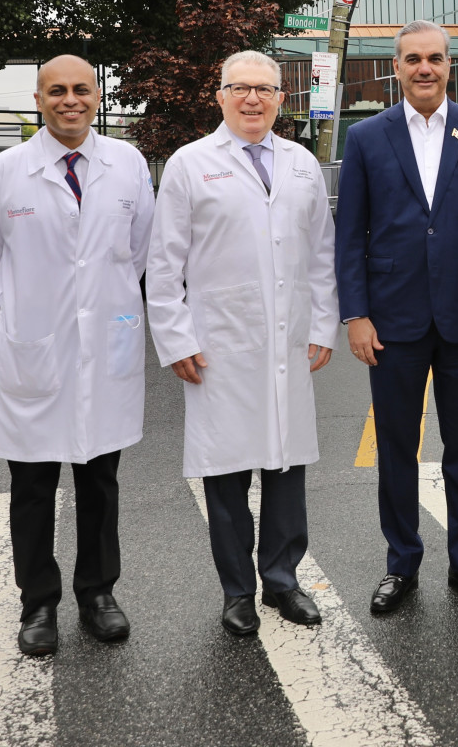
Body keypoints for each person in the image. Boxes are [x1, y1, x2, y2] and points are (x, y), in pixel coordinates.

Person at [146, 51, 337, 639]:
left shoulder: (302, 164)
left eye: (265, 89)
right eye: (240, 88)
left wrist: (323, 324)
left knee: (286, 466)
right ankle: (237, 593)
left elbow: (322, 254)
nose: (253, 98)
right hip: (218, 344)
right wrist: (175, 338)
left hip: (288, 341)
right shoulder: (190, 164)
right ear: (220, 96)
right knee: (226, 475)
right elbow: (164, 263)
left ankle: (282, 580)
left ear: (282, 99)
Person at [0, 55, 155, 656]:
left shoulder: (127, 164)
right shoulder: (4, 172)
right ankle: (38, 603)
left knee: (100, 480)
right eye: (56, 91)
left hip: (104, 345)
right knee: (32, 483)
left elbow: (138, 250)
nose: (69, 100)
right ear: (39, 99)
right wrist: (29, 316)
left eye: (80, 89)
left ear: (97, 96)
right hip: (35, 347)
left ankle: (98, 594)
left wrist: (98, 307)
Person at [336, 20, 458, 616]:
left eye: (434, 58)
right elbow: (350, 236)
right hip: (392, 320)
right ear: (396, 67)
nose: (424, 68)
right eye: (412, 58)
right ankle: (402, 563)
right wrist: (356, 315)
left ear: (449, 65)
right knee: (395, 447)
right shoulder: (366, 137)